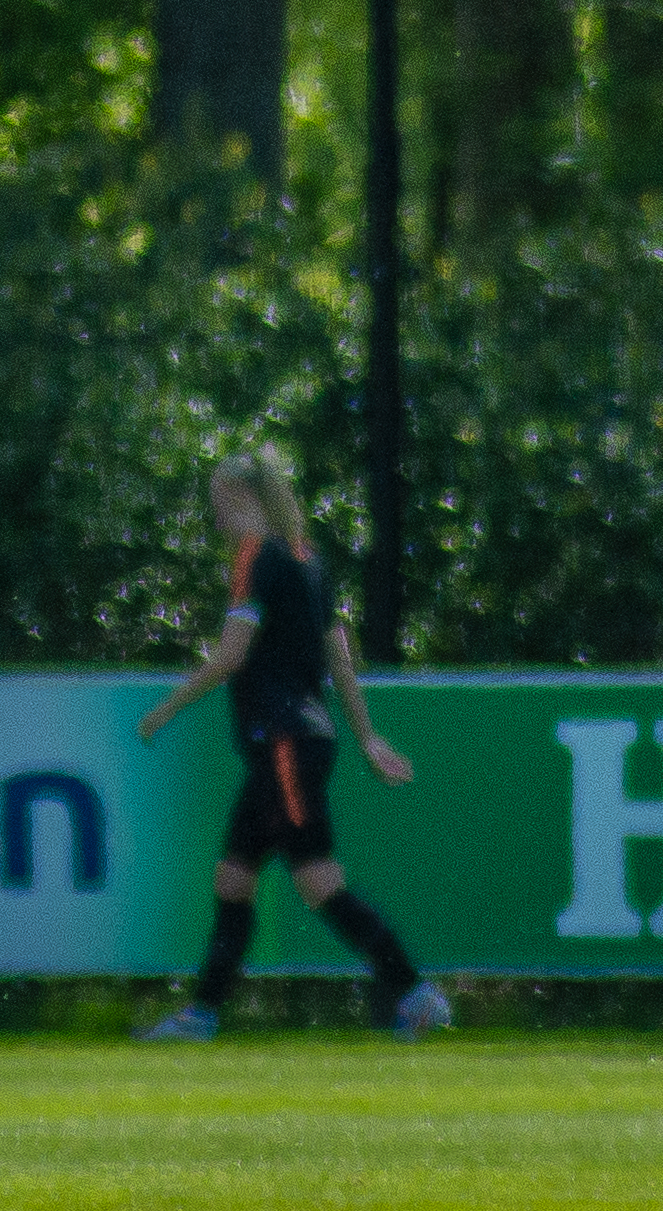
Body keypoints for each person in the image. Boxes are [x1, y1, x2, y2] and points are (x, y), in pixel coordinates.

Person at [135, 446, 451, 1041]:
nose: (216, 516)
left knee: (317, 881)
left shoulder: (255, 556)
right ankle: (201, 1016)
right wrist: (364, 737)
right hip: (299, 739)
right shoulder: (308, 559)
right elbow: (339, 657)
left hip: (282, 742)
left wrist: (168, 707)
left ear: (244, 498)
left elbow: (232, 655)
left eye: (219, 503)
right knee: (234, 877)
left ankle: (415, 992)